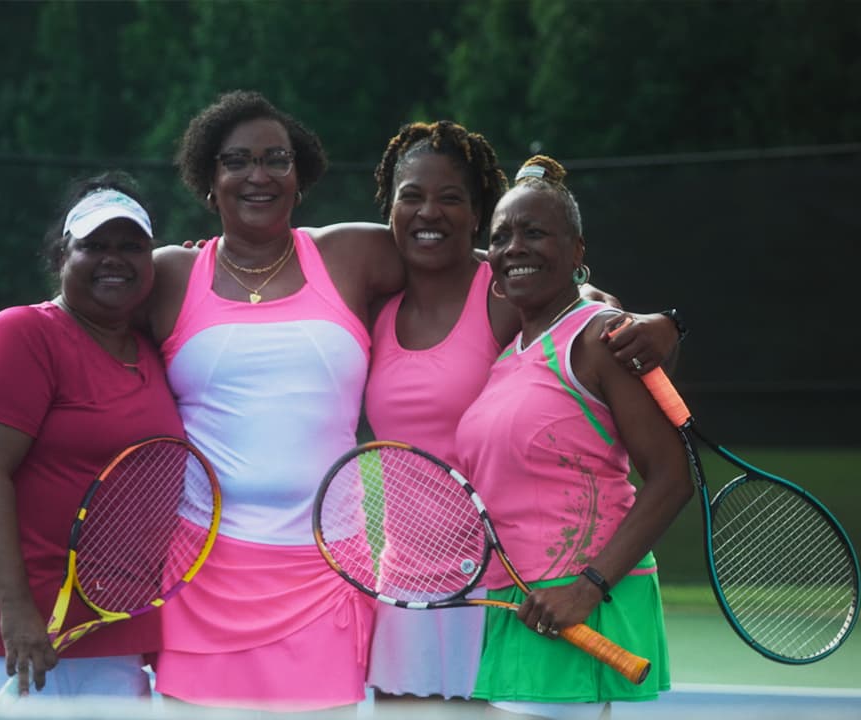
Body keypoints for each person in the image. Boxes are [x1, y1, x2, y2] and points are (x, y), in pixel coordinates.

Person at [363, 123, 682, 703]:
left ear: (475, 213)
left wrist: (660, 323)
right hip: (408, 588)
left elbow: (586, 313)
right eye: (411, 195)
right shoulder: (373, 304)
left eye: (452, 197)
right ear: (390, 207)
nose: (428, 211)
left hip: (497, 583)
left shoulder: (505, 293)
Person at [140, 90, 404, 712]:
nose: (258, 175)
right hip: (199, 577)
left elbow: (476, 267)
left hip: (327, 576)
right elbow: (69, 327)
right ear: (209, 180)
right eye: (236, 161)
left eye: (276, 159)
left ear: (300, 175)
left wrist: (587, 297)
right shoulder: (170, 275)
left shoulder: (350, 254)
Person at [0, 172, 182, 705]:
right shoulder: (18, 335)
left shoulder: (153, 350)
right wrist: (17, 615)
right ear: (62, 255)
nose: (114, 258)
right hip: (8, 632)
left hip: (110, 624)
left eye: (132, 246)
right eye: (95, 245)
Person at [453, 155, 694, 719]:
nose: (514, 247)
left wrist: (587, 588)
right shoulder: (510, 355)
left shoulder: (593, 338)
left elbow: (671, 479)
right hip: (522, 602)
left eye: (534, 232)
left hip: (580, 601)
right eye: (502, 236)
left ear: (577, 251)